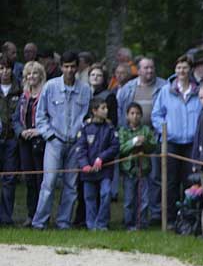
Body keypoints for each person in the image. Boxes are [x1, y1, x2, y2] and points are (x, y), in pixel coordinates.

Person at [32, 52, 91, 229]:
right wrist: (48, 135)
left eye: (73, 66)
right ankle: (39, 222)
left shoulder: (85, 89)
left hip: (75, 143)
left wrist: (81, 137)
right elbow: (40, 116)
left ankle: (63, 222)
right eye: (66, 66)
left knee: (71, 185)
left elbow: (86, 116)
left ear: (77, 66)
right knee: (48, 183)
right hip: (54, 141)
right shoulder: (50, 87)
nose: (69, 70)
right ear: (61, 67)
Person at [151, 54, 202, 209]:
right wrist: (166, 130)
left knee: (189, 180)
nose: (182, 71)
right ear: (175, 69)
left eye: (185, 67)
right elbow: (156, 114)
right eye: (179, 67)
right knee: (170, 181)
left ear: (190, 70)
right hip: (171, 142)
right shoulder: (166, 91)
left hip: (191, 143)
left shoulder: (198, 91)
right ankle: (171, 216)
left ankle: (188, 214)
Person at [72, 97, 118, 230]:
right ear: (94, 111)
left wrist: (101, 158)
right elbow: (80, 148)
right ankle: (91, 225)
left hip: (105, 170)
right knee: (89, 198)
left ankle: (102, 223)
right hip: (88, 172)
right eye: (103, 108)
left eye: (106, 108)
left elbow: (115, 147)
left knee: (106, 193)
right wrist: (84, 164)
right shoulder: (85, 128)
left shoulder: (109, 128)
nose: (106, 110)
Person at [14, 61, 46, 223]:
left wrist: (38, 131)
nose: (31, 77)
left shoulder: (46, 94)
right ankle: (30, 214)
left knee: (41, 180)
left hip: (41, 141)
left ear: (40, 75)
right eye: (28, 74)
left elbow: (51, 117)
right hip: (24, 141)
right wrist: (21, 131)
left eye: (34, 73)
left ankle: (41, 217)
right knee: (29, 180)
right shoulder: (23, 96)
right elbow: (15, 119)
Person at [118, 102, 157, 230]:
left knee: (144, 199)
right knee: (129, 200)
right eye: (132, 113)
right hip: (128, 171)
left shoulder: (146, 130)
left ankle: (142, 224)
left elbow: (153, 147)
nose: (135, 116)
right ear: (127, 116)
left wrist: (144, 143)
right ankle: (129, 223)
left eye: (138, 114)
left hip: (143, 170)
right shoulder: (123, 131)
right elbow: (121, 148)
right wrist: (133, 142)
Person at [0, 56, 21, 225]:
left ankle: (6, 217)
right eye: (1, 68)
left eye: (7, 68)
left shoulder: (19, 88)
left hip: (11, 140)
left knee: (9, 179)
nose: (4, 71)